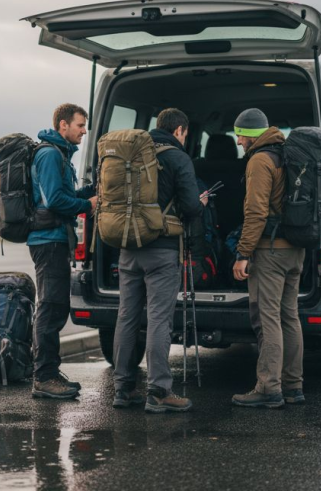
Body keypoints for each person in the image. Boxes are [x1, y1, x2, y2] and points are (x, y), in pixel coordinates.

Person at [111, 108, 205, 413]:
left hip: (127, 247)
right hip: (162, 250)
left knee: (126, 317)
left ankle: (122, 389)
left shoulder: (131, 154)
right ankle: (159, 391)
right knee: (158, 319)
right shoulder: (178, 158)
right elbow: (190, 208)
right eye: (185, 134)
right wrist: (201, 203)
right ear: (179, 130)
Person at [230, 108, 305, 409]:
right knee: (290, 316)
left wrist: (243, 253)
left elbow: (256, 212)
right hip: (294, 249)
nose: (238, 141)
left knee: (267, 317)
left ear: (250, 135)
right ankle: (293, 386)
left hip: (270, 251)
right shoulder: (285, 154)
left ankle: (269, 388)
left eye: (240, 135)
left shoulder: (260, 160)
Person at [29, 103, 97, 400]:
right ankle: (44, 378)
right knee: (50, 307)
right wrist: (87, 205)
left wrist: (89, 192)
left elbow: (63, 195)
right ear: (63, 125)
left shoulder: (60, 155)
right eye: (80, 125)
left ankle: (50, 372)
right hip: (48, 240)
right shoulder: (49, 155)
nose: (84, 131)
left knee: (56, 306)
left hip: (55, 238)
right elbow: (55, 200)